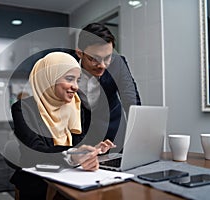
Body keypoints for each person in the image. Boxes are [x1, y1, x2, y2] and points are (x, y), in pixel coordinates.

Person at [9, 52, 115, 200]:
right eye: (70, 79)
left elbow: (78, 144)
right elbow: (36, 151)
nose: (76, 87)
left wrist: (93, 149)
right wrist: (73, 156)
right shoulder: (23, 108)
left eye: (77, 80)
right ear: (50, 78)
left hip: (71, 178)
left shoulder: (75, 106)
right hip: (38, 182)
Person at [75, 23, 141, 149]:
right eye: (94, 59)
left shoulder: (118, 63)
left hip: (112, 135)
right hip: (78, 136)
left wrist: (139, 136)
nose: (102, 65)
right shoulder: (66, 63)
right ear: (80, 53)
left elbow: (130, 98)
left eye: (107, 58)